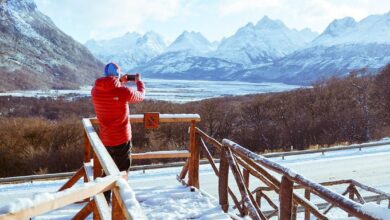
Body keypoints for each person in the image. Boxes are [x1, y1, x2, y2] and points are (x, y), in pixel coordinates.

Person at [91, 62, 145, 202]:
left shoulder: (95, 90)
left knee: (108, 171)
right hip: (122, 137)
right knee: (122, 172)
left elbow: (109, 88)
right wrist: (139, 82)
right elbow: (140, 96)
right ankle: (120, 203)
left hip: (105, 138)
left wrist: (120, 81)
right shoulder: (123, 92)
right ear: (118, 75)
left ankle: (103, 201)